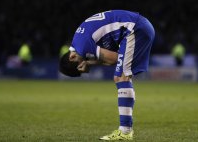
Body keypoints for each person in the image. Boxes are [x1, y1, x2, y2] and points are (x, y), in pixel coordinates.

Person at [60, 10, 155, 140]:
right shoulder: (79, 42)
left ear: (71, 57)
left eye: (80, 66)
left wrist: (89, 62)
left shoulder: (83, 47)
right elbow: (111, 59)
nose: (84, 67)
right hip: (138, 26)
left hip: (134, 29)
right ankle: (125, 130)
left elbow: (114, 58)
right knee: (121, 76)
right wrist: (89, 61)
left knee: (121, 77)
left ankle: (125, 131)